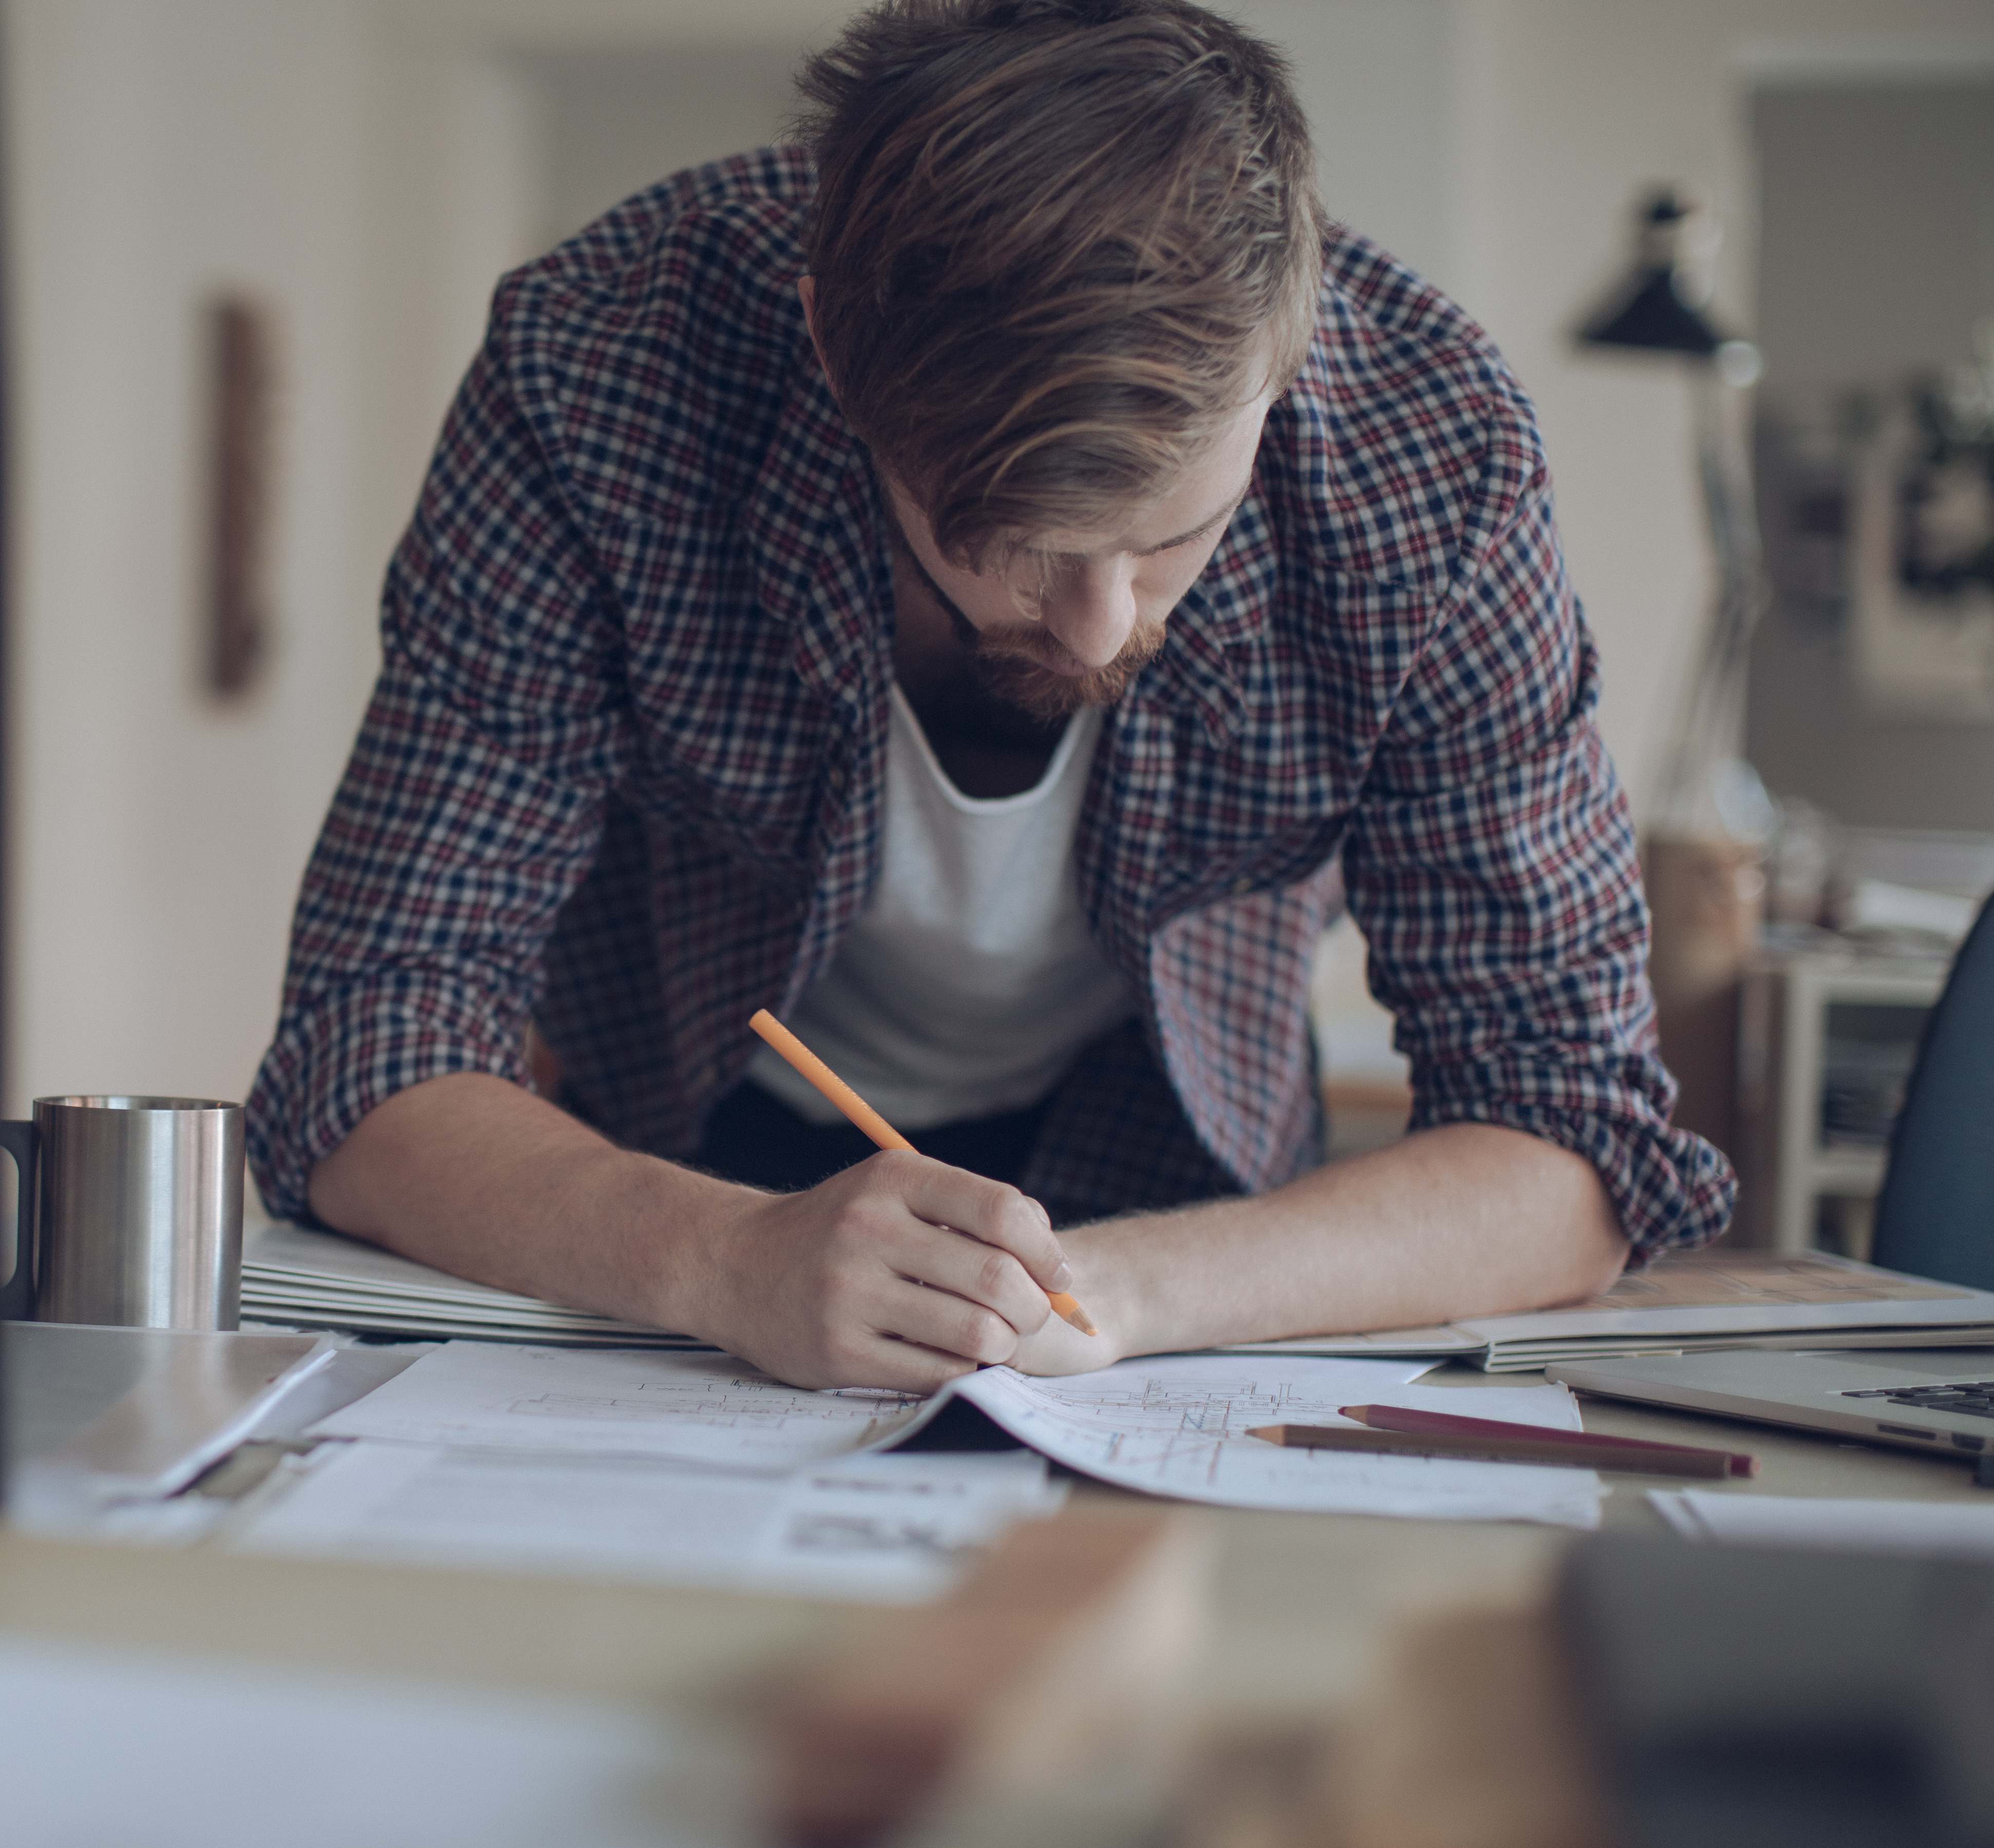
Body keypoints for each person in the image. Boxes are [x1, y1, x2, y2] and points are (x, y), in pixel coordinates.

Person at [247, 0, 1734, 1394]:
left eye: (1171, 541)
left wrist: (1108, 1296)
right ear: (837, 344)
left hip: (1183, 1203)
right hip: (677, 1171)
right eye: (1010, 542)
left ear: (1286, 362)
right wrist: (716, 1256)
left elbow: (1568, 1139)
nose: (1096, 628)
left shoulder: (1436, 456)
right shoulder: (603, 366)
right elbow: (370, 1040)